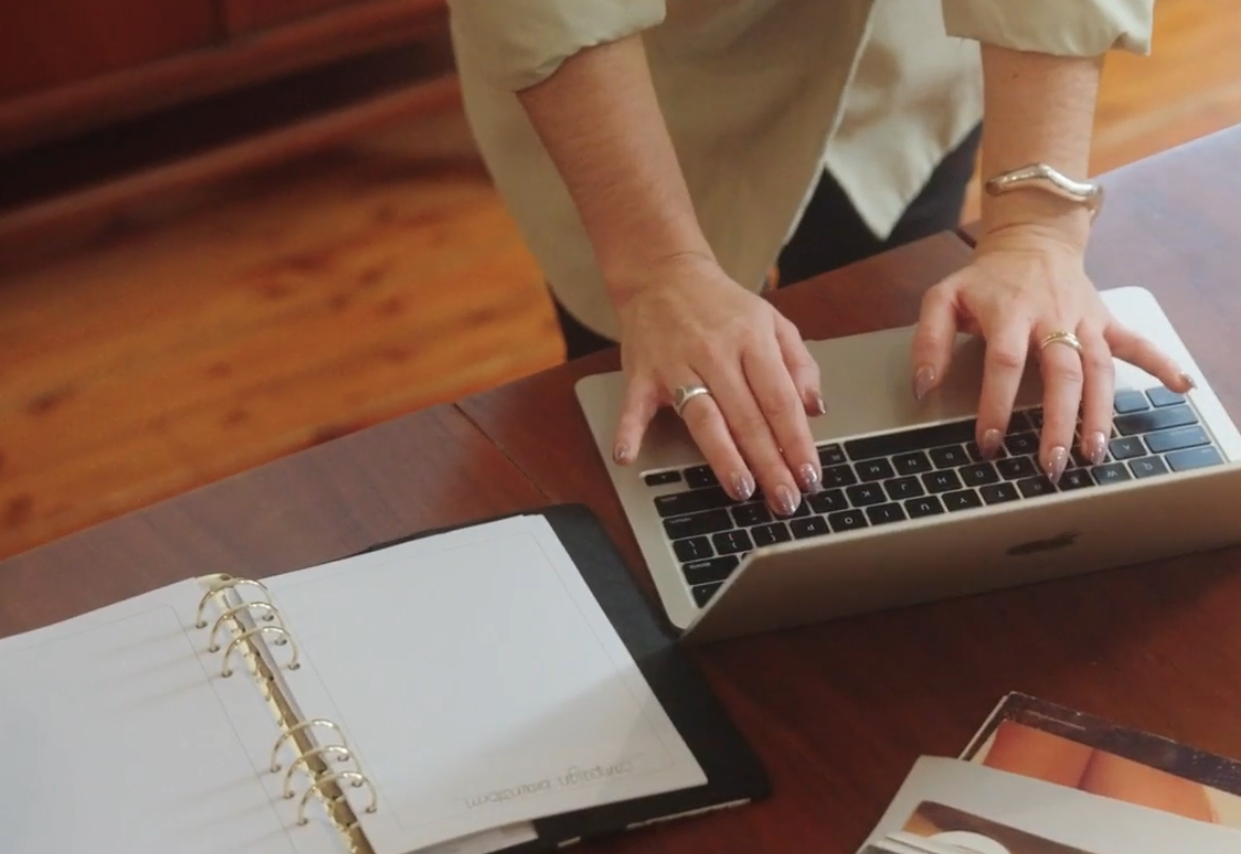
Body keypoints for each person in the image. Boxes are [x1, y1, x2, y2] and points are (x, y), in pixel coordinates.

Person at [445, 0, 1194, 519]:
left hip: (911, 62)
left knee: (909, 414)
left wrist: (1038, 231)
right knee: (668, 443)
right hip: (644, 85)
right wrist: (657, 272)